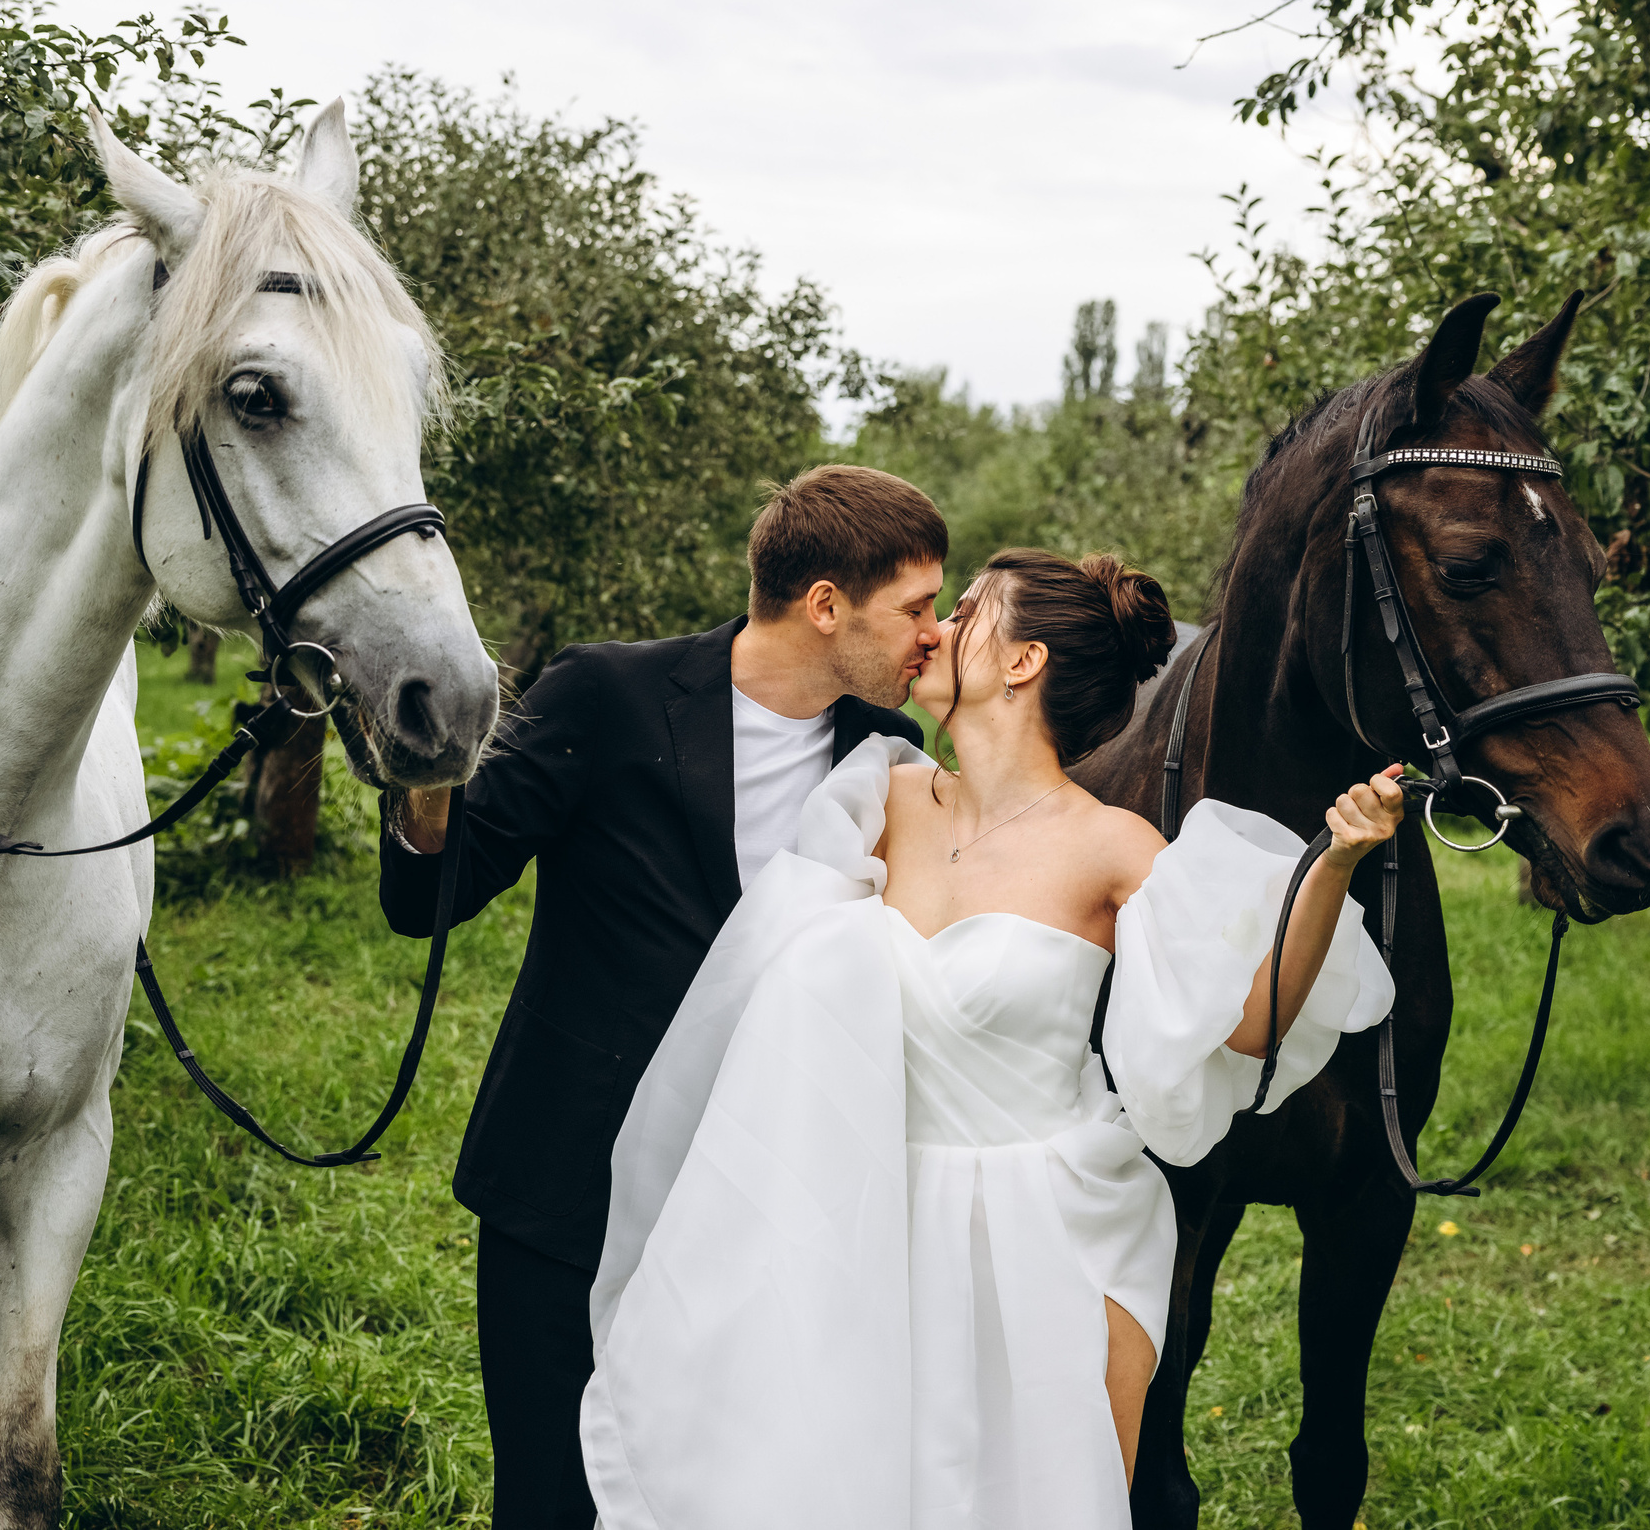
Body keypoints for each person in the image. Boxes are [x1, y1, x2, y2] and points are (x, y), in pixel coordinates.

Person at [579, 549, 1405, 1529]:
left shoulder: (1112, 847)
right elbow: (761, 977)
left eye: (965, 610)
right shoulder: (873, 802)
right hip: (871, 1209)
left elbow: (1251, 1019)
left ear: (1021, 662)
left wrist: (1337, 862)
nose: (932, 627)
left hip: (1051, 1228)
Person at [380, 464, 948, 1530]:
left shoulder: (891, 759)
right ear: (825, 604)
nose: (936, 632)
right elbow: (434, 891)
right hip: (566, 1191)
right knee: (549, 1500)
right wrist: (423, 772)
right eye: (917, 607)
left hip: (761, 1211)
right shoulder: (605, 694)